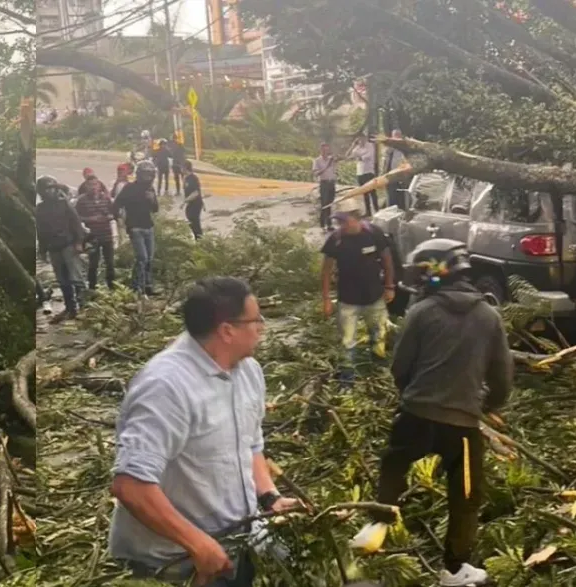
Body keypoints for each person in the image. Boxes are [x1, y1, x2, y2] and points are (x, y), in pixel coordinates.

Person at [108, 277, 300, 586]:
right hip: (177, 561)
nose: (262, 328)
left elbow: (250, 445)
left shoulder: (248, 371)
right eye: (256, 320)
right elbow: (131, 484)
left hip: (240, 541)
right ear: (227, 330)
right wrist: (196, 543)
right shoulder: (166, 387)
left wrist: (269, 497)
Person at [351, 238, 513, 587]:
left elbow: (401, 366)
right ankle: (454, 569)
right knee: (466, 496)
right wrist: (487, 405)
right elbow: (501, 376)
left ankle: (378, 521)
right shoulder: (489, 315)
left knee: (395, 461)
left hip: (416, 414)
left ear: (433, 274)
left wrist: (413, 395)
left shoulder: (421, 311)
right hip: (463, 426)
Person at [320, 197, 396, 386]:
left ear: (356, 217)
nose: (341, 225)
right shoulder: (336, 239)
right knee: (347, 341)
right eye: (338, 221)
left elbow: (387, 261)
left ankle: (378, 374)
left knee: (378, 335)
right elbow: (326, 270)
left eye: (344, 220)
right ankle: (347, 381)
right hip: (348, 298)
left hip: (374, 296)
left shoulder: (373, 233)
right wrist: (326, 299)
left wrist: (389, 286)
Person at [35, 175, 87, 322]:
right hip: (53, 248)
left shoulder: (64, 204)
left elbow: (76, 223)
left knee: (76, 277)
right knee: (62, 280)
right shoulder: (40, 209)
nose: (49, 192)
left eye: (52, 188)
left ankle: (83, 307)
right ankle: (70, 308)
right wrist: (42, 250)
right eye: (46, 189)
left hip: (68, 245)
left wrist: (79, 242)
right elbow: (41, 230)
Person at [113, 161, 159, 297]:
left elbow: (155, 209)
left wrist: (152, 199)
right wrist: (121, 220)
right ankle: (137, 287)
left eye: (150, 175)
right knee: (142, 258)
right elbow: (116, 204)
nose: (148, 178)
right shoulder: (129, 188)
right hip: (135, 227)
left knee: (149, 258)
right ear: (139, 174)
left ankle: (148, 285)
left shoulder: (150, 189)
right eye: (145, 175)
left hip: (148, 226)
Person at [75, 168, 116, 292]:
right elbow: (76, 218)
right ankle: (92, 288)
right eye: (90, 185)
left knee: (110, 263)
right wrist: (90, 219)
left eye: (95, 184)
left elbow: (113, 213)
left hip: (107, 235)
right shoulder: (81, 200)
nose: (93, 187)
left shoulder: (106, 198)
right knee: (93, 263)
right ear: (86, 186)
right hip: (92, 237)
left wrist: (110, 216)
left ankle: (112, 287)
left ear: (99, 185)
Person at [348, 135, 379, 216]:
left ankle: (377, 210)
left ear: (365, 138)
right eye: (359, 139)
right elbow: (349, 155)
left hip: (369, 172)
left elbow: (367, 157)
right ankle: (368, 212)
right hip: (360, 172)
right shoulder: (357, 147)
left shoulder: (370, 146)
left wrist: (359, 157)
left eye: (362, 138)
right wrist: (353, 145)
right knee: (364, 193)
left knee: (372, 192)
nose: (360, 141)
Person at [312, 143, 339, 231]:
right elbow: (315, 173)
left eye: (327, 150)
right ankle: (322, 225)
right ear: (321, 150)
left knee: (330, 204)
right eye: (323, 150)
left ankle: (329, 224)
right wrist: (326, 167)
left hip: (332, 183)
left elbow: (338, 164)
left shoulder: (331, 159)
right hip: (324, 183)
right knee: (324, 204)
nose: (325, 152)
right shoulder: (317, 160)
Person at [181, 161, 207, 240]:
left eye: (182, 168)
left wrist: (184, 201)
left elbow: (196, 193)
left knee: (194, 221)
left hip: (196, 203)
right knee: (190, 219)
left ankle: (199, 239)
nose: (181, 169)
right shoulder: (186, 178)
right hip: (191, 203)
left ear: (186, 168)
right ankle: (197, 237)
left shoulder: (193, 178)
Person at [383, 129, 408, 210]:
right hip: (390, 175)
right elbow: (385, 162)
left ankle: (401, 212)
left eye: (398, 135)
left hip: (401, 176)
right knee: (391, 196)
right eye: (394, 136)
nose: (396, 138)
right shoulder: (389, 149)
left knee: (401, 196)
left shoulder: (405, 148)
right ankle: (390, 211)